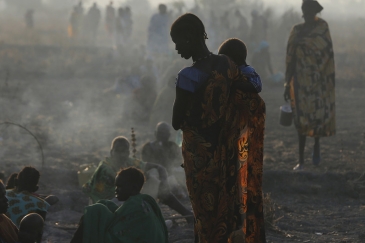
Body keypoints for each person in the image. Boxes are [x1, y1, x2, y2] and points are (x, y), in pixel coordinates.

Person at [170, 13, 266, 242]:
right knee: (226, 208)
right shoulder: (226, 64)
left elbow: (176, 122)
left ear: (191, 36)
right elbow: (253, 87)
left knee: (203, 213)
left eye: (177, 42)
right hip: (228, 153)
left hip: (201, 158)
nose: (176, 49)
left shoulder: (187, 76)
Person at [82, 136, 192, 219]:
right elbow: (115, 192)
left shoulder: (129, 161)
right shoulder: (105, 168)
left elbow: (159, 167)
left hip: (120, 200)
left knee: (154, 182)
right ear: (111, 152)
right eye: (118, 151)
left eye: (124, 151)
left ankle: (187, 214)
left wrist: (163, 183)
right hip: (102, 205)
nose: (121, 154)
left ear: (128, 152)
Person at [284, 0, 335, 171]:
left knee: (316, 116)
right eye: (303, 11)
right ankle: (301, 160)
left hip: (318, 82)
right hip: (299, 82)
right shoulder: (296, 31)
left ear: (314, 12)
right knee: (300, 119)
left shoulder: (322, 28)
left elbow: (328, 54)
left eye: (308, 11)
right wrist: (286, 82)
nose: (305, 14)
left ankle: (316, 147)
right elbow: (290, 58)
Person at [72, 167, 168, 243]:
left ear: (134, 188)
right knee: (103, 205)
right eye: (116, 186)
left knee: (95, 212)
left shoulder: (135, 205)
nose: (116, 190)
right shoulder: (143, 201)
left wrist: (91, 219)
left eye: (120, 186)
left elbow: (118, 232)